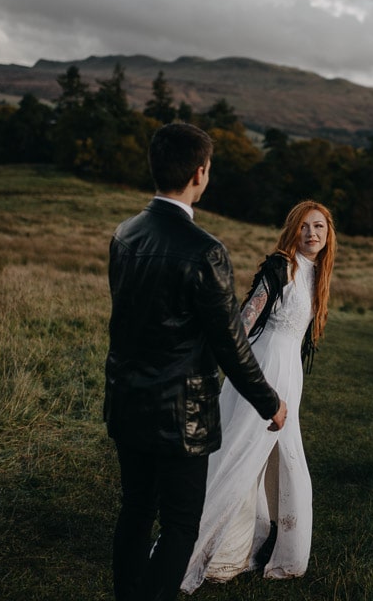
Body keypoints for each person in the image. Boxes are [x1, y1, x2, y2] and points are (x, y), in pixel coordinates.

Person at [104, 122, 288, 601]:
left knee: (135, 510)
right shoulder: (205, 251)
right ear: (200, 173)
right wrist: (269, 402)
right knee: (182, 522)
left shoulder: (124, 235)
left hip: (126, 402)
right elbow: (230, 343)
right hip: (179, 416)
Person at [181, 200, 336, 593]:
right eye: (304, 227)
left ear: (329, 234)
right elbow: (246, 319)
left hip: (290, 374)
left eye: (319, 227)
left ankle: (261, 545)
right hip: (264, 368)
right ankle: (198, 548)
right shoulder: (281, 266)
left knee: (281, 457)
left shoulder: (317, 273)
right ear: (292, 230)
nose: (312, 234)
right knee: (238, 452)